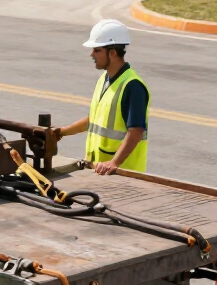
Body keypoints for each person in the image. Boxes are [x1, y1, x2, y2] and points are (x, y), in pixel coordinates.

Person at [55, 19, 150, 174]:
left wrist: (114, 162)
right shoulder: (104, 79)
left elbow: (136, 131)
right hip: (99, 170)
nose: (91, 54)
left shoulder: (132, 86)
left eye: (97, 50)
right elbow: (94, 120)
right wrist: (62, 132)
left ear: (112, 53)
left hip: (123, 175)